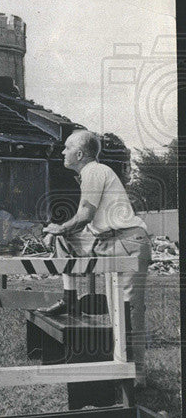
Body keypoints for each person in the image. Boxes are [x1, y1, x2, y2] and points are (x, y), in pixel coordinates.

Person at [42, 130, 151, 377]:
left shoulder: (93, 171)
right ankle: (70, 297)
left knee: (126, 313)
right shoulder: (90, 173)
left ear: (79, 154)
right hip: (107, 241)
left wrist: (60, 227)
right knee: (65, 238)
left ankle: (136, 377)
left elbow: (84, 216)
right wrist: (59, 233)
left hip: (127, 243)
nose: (62, 152)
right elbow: (85, 225)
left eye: (67, 148)